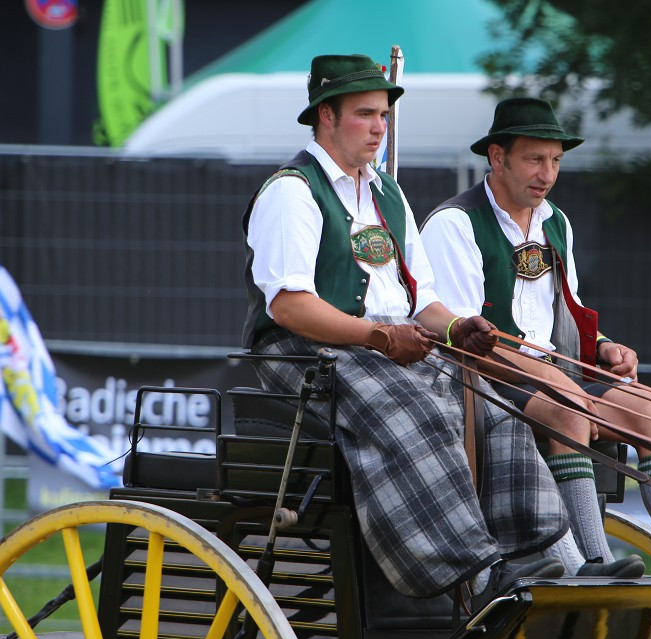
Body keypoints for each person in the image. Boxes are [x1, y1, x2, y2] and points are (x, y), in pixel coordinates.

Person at [241, 56, 626, 608]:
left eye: (384, 116)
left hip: (385, 342)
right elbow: (289, 306)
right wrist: (377, 338)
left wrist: (460, 327)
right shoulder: (292, 191)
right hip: (306, 352)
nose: (380, 127)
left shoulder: (387, 195)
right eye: (366, 114)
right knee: (413, 407)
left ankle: (535, 555)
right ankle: (471, 566)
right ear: (325, 116)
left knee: (491, 404)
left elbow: (422, 304)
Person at [421, 97, 651, 574]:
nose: (547, 174)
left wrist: (605, 347)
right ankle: (593, 564)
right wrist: (559, 382)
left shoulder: (556, 221)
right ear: (497, 157)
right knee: (569, 407)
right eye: (534, 159)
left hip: (554, 377)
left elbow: (565, 317)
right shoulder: (454, 224)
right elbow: (463, 341)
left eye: (555, 161)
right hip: (478, 382)